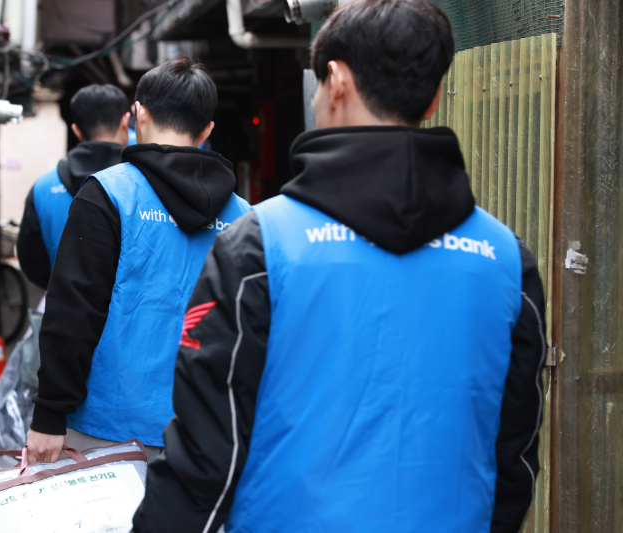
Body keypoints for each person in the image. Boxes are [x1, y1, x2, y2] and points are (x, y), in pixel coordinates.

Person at [133, 1, 546, 532]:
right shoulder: (506, 258)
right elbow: (516, 454)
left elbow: (205, 457)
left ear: (337, 81)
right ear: (434, 96)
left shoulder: (259, 247)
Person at [26, 56, 251, 462]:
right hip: (206, 433)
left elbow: (73, 309)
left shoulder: (108, 194)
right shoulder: (244, 216)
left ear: (138, 115)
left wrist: (49, 413)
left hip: (107, 429)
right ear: (207, 130)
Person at [17, 84, 130, 290]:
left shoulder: (43, 187)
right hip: (128, 310)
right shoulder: (143, 182)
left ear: (76, 130)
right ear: (125, 121)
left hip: (65, 305)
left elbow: (32, 264)